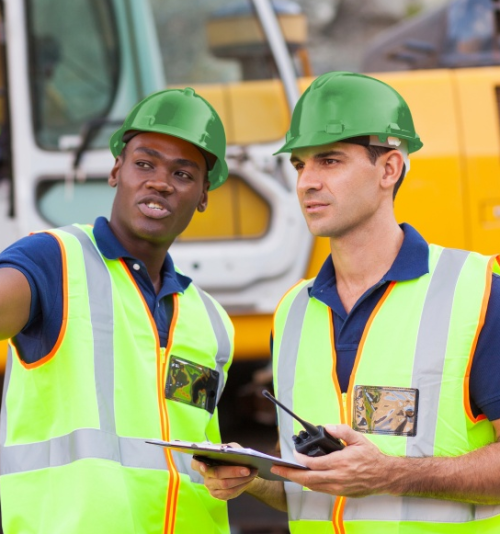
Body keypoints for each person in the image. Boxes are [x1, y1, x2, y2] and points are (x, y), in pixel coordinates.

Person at [193, 71, 500, 533]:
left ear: (389, 169)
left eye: (329, 161)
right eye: (299, 165)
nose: (306, 183)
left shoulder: (476, 292)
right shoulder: (293, 311)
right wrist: (252, 477)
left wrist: (391, 474)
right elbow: (312, 490)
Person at [0, 88, 234, 534]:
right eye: (144, 163)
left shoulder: (212, 321)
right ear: (116, 172)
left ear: (204, 194)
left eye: (183, 173)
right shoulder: (56, 261)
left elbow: (195, 458)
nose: (160, 182)